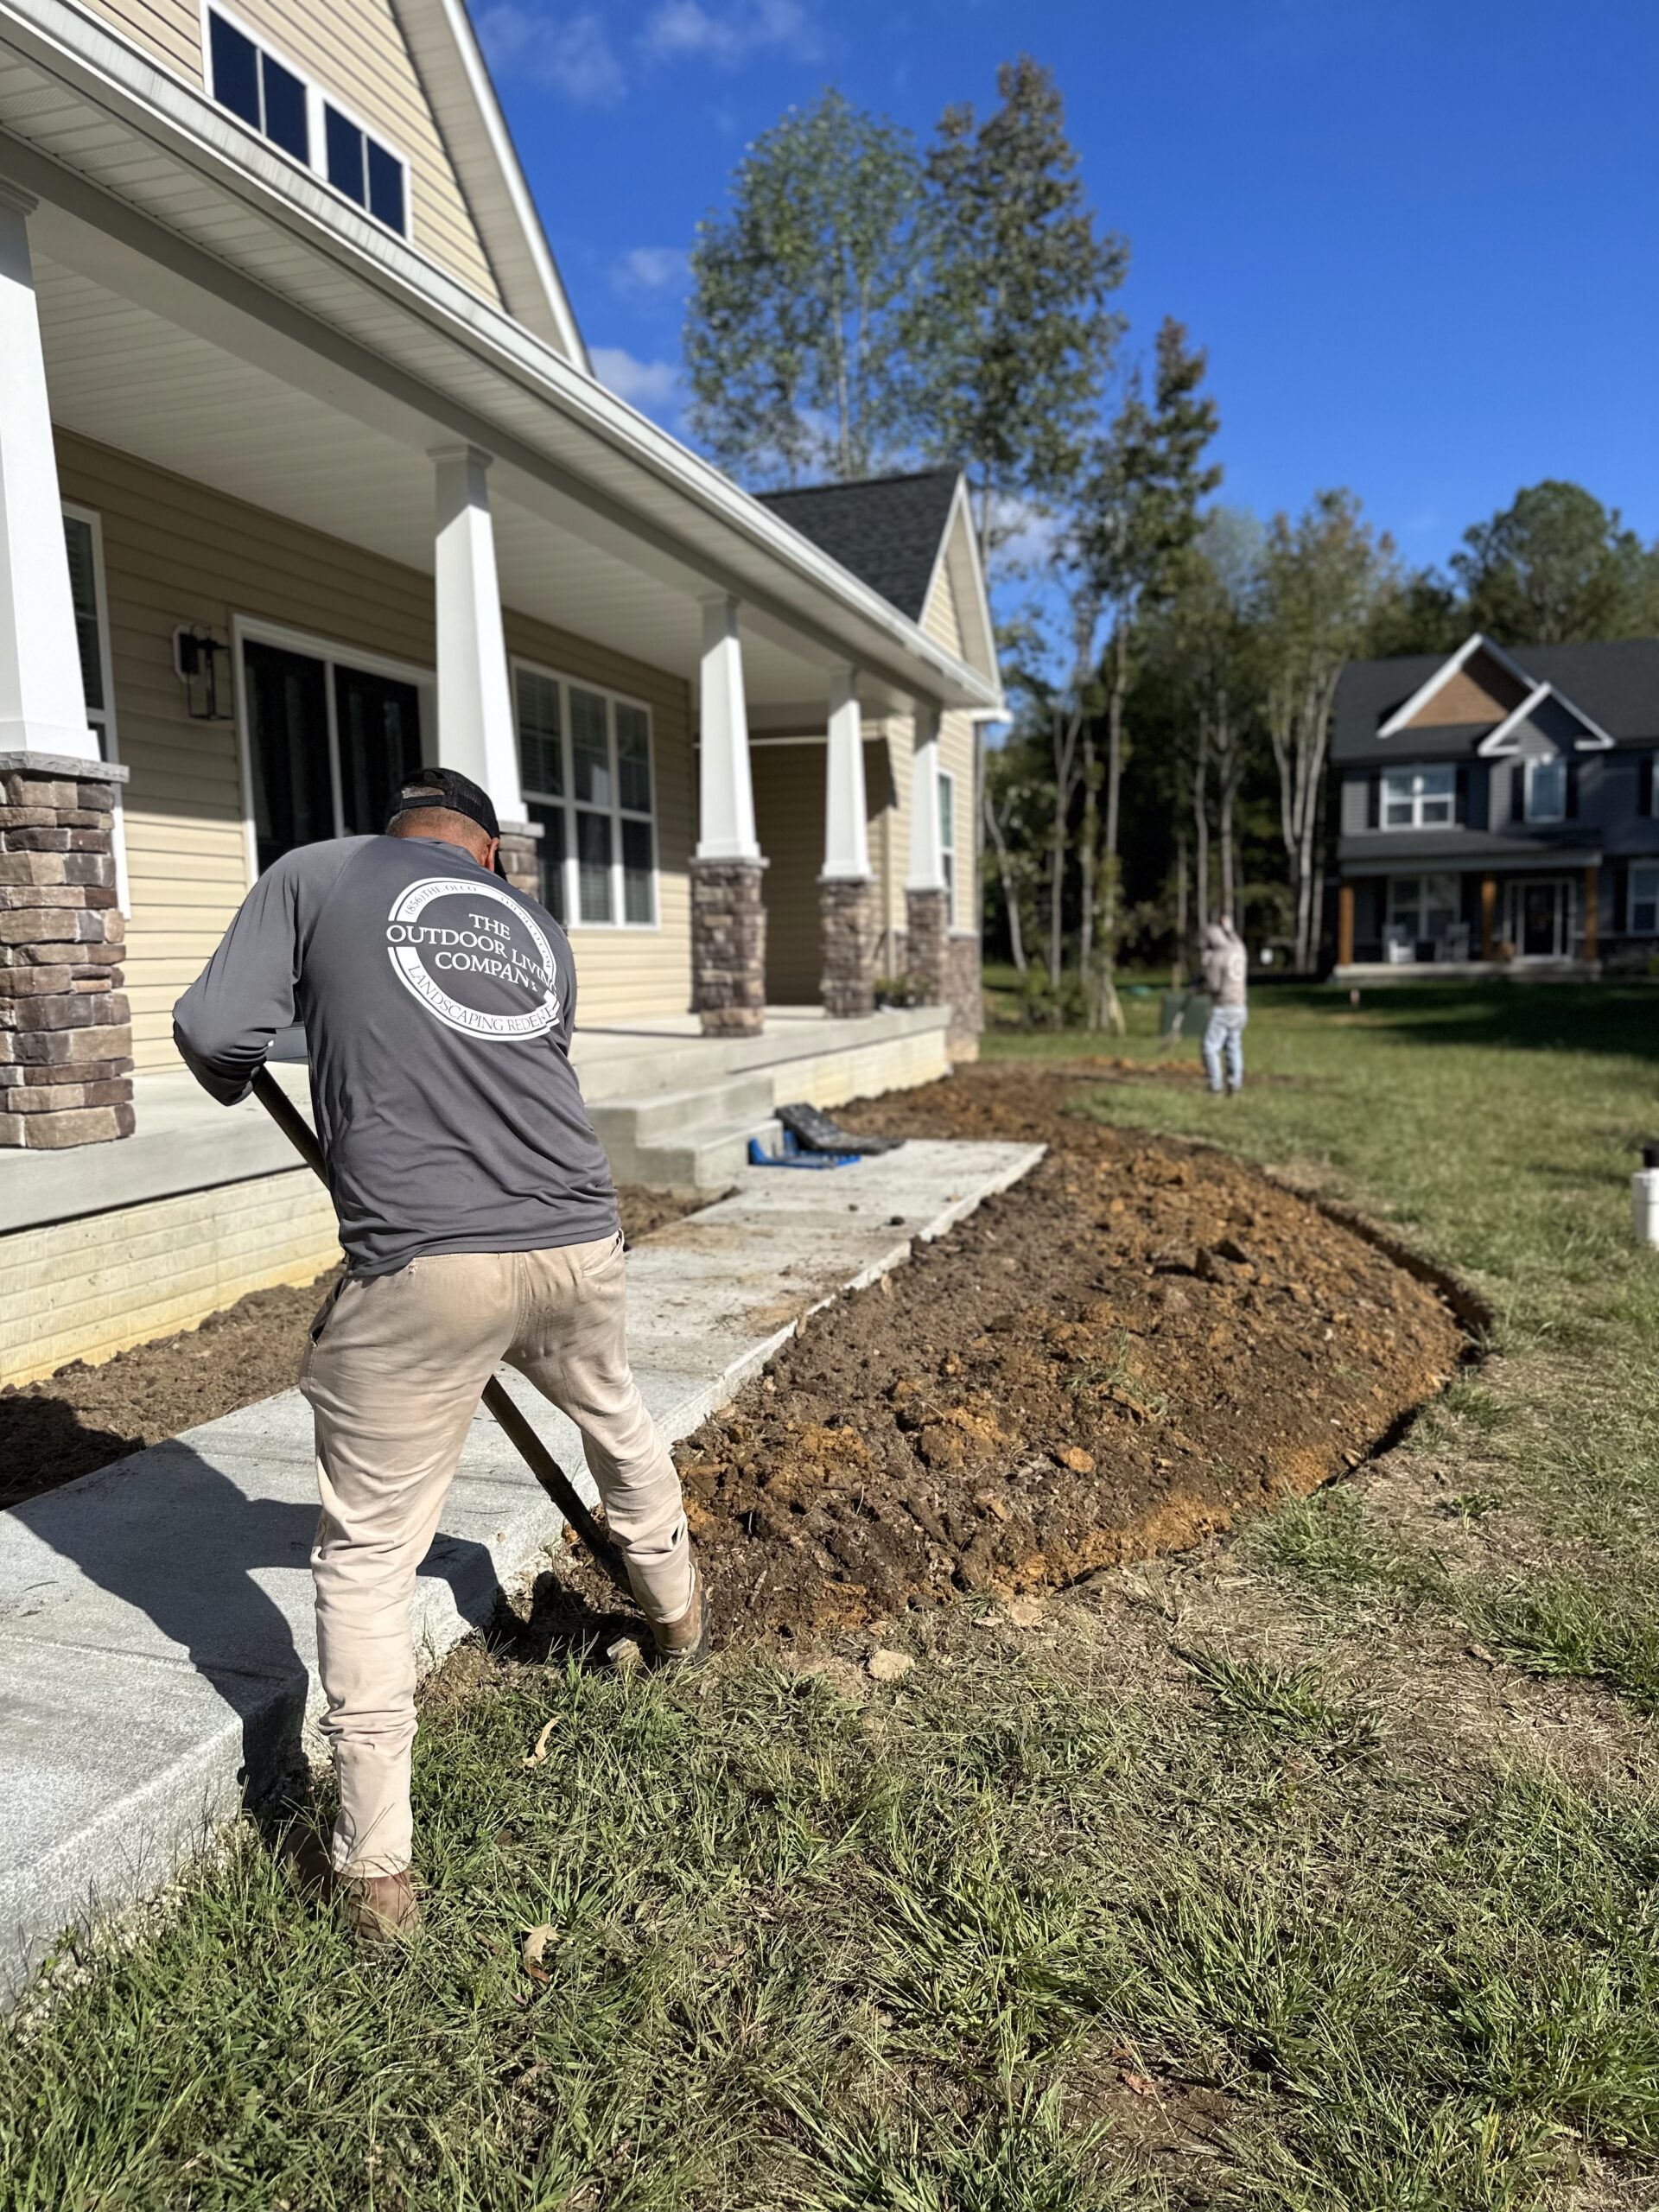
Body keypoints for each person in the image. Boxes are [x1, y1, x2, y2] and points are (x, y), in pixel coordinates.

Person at [174, 766, 705, 1943]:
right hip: (577, 1236)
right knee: (613, 1413)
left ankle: (375, 1876)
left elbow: (217, 1030)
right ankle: (675, 1615)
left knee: (367, 1550)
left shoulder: (316, 873)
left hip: (423, 1264)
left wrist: (230, 1071)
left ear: (397, 832)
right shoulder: (535, 929)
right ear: (492, 858)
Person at [1199, 917, 1249, 1096]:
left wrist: (1200, 984)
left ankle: (1215, 1085)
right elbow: (1235, 938)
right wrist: (1228, 928)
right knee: (1233, 1045)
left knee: (1209, 1047)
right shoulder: (1239, 949)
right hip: (1241, 1007)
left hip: (1224, 1007)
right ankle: (1235, 1083)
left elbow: (1213, 986)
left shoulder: (1217, 958)